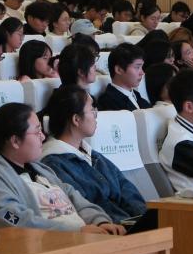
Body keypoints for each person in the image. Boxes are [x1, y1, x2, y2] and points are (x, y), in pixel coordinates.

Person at [0, 102, 123, 234]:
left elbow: (73, 196)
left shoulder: (40, 169)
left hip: (79, 241)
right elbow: (17, 221)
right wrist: (78, 232)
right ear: (15, 141)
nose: (43, 137)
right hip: (42, 251)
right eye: (37, 132)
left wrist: (100, 222)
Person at [41, 85, 150, 226]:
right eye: (92, 109)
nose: (96, 114)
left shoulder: (92, 154)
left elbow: (126, 188)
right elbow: (87, 205)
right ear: (76, 119)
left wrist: (145, 220)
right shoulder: (53, 164)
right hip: (108, 230)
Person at [95, 43, 150, 110]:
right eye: (137, 67)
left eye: (141, 67)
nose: (142, 73)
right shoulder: (107, 102)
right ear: (119, 70)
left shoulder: (138, 98)